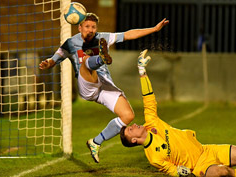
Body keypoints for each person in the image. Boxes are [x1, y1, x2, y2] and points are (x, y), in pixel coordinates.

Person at [39, 12, 169, 163]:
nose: (91, 30)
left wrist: (153, 29)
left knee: (128, 116)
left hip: (104, 85)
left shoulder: (102, 37)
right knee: (85, 62)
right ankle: (101, 58)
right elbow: (54, 60)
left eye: (93, 27)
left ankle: (95, 142)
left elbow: (128, 34)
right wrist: (47, 63)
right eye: (87, 26)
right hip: (87, 84)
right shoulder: (70, 43)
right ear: (79, 27)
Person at [120, 49, 236, 177]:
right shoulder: (153, 157)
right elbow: (171, 170)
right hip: (199, 165)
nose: (134, 125)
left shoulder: (151, 122)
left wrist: (142, 72)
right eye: (131, 130)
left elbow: (148, 99)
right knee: (223, 172)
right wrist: (179, 172)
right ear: (135, 140)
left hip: (206, 150)